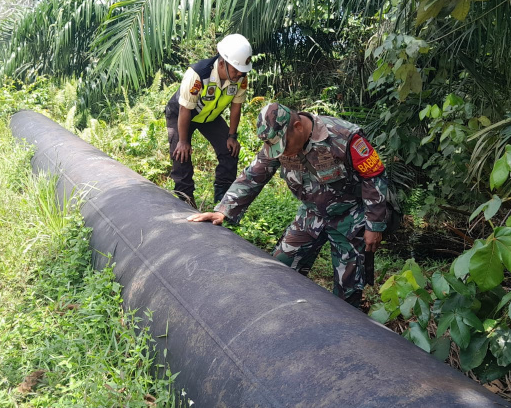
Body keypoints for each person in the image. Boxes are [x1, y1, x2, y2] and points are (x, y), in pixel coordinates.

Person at [188, 102, 391, 308]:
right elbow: (253, 175)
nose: (281, 153)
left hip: (349, 217)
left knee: (347, 292)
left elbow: (374, 177)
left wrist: (374, 225)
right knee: (280, 270)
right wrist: (223, 210)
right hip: (310, 215)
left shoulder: (345, 137)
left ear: (298, 127)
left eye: (284, 146)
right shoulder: (277, 143)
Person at [165, 34, 253, 207]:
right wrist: (183, 141)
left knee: (230, 151)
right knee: (181, 154)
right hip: (182, 114)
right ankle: (186, 203)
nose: (238, 75)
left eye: (241, 71)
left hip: (209, 117)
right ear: (222, 63)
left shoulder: (240, 78)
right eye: (235, 70)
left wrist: (232, 136)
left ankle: (223, 205)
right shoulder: (198, 74)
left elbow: (236, 107)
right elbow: (185, 109)